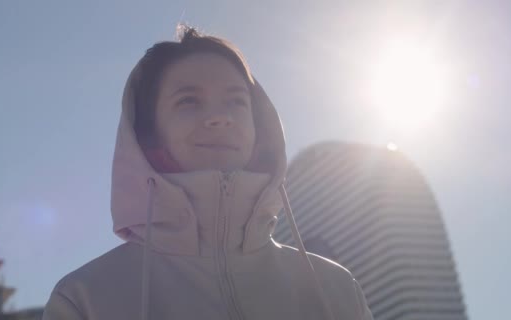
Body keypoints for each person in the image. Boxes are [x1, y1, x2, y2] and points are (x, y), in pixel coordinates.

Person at [42, 26, 374, 320]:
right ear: (149, 132)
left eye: (236, 101)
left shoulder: (336, 288)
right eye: (188, 101)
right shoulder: (86, 298)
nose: (220, 117)